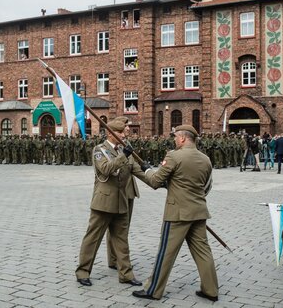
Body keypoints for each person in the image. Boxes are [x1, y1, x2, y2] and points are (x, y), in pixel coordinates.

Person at [133, 125, 218, 302]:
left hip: (177, 213)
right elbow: (206, 186)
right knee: (203, 252)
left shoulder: (174, 155)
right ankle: (211, 290)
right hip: (199, 211)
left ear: (182, 138)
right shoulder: (205, 159)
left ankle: (153, 290)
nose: (173, 140)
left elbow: (156, 182)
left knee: (166, 253)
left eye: (175, 137)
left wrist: (146, 169)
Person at [75, 118, 146, 287]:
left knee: (121, 240)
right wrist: (124, 155)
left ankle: (126, 274)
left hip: (121, 202)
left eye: (124, 132)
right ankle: (83, 271)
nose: (123, 135)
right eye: (120, 132)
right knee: (93, 238)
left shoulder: (124, 150)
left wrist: (158, 180)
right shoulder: (99, 150)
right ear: (110, 133)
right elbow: (106, 168)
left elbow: (137, 171)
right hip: (104, 203)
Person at [106, 116, 139, 270]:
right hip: (120, 188)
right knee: (116, 226)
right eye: (125, 126)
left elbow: (135, 167)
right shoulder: (112, 146)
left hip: (129, 187)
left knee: (123, 226)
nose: (128, 128)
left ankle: (118, 257)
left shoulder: (127, 143)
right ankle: (115, 259)